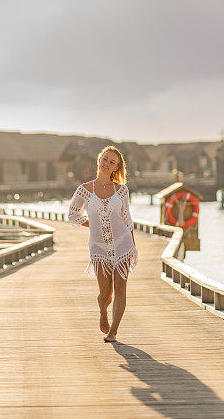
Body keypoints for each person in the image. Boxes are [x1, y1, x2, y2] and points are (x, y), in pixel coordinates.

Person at [68, 145, 138, 342]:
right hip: (99, 247)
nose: (107, 163)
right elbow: (73, 214)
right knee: (105, 294)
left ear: (116, 168)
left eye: (112, 162)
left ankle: (113, 331)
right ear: (99, 161)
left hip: (123, 244)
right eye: (105, 159)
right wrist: (94, 224)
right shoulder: (84, 190)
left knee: (121, 289)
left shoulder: (121, 191)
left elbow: (127, 219)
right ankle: (103, 312)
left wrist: (132, 245)